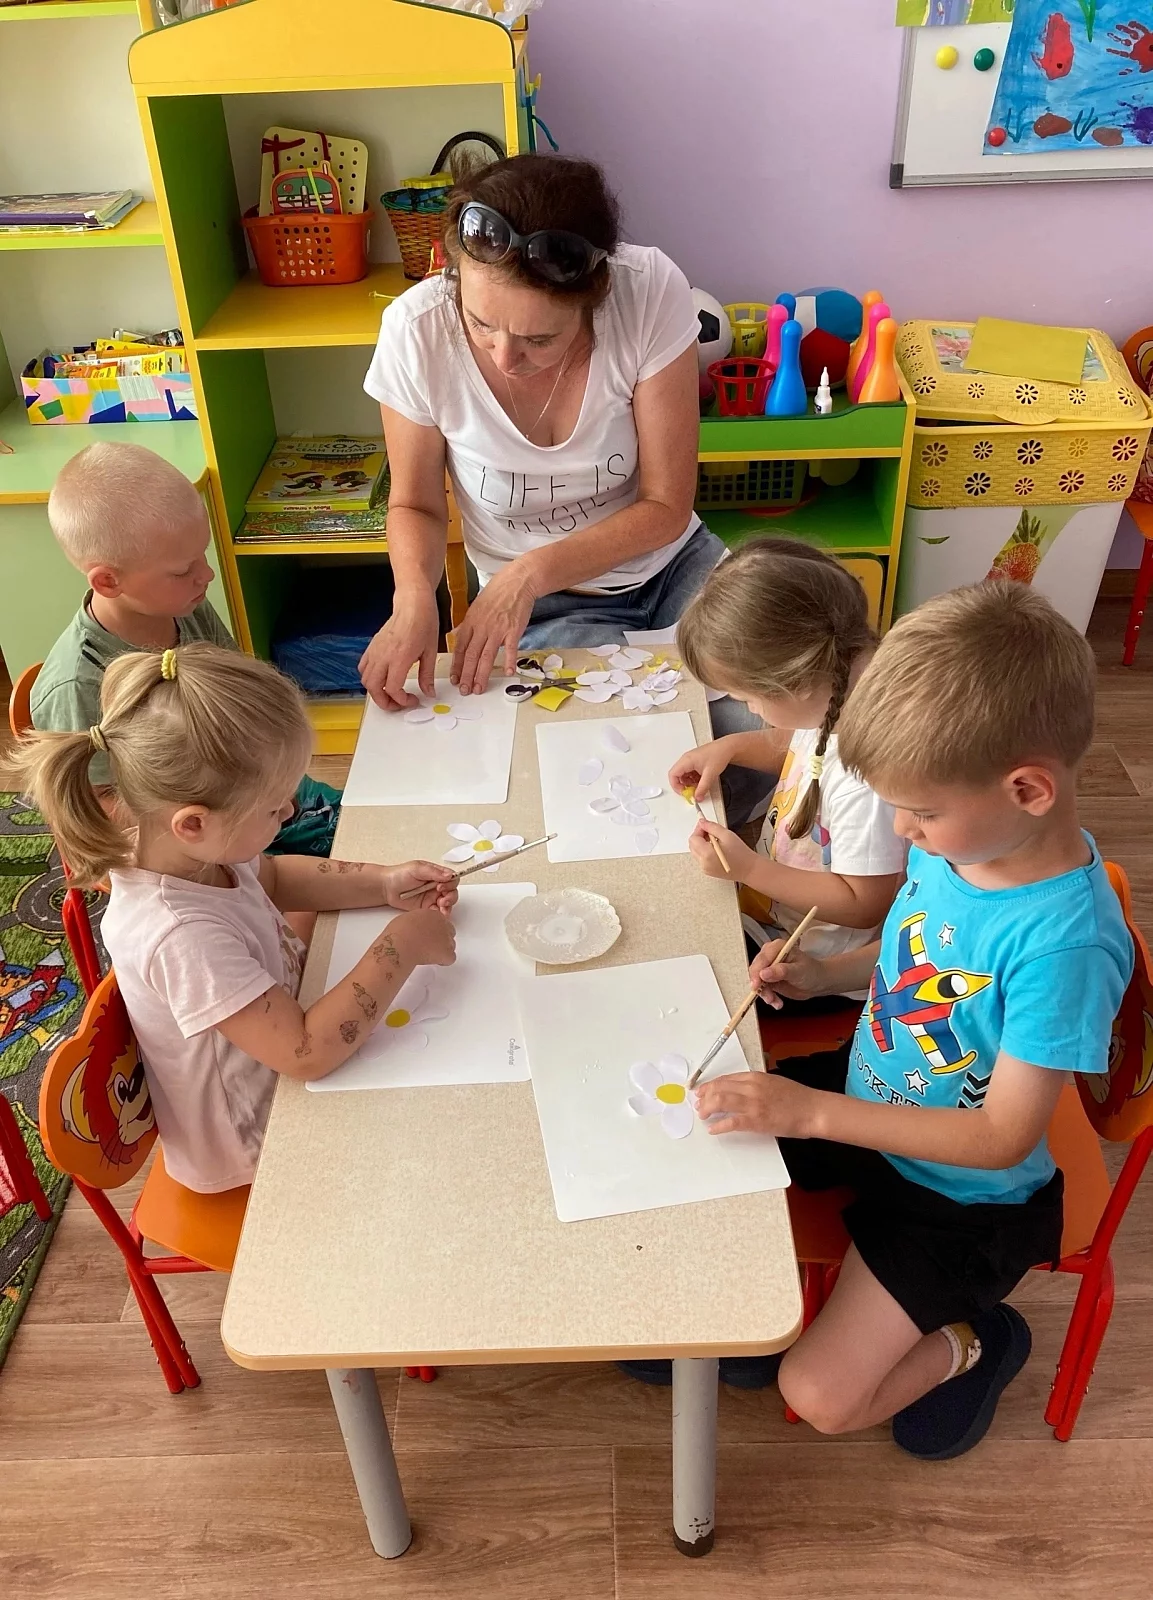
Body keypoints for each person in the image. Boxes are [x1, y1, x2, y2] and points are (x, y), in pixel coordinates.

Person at [694, 583, 1133, 1458]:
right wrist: (825, 973)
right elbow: (917, 964)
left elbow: (1002, 1138)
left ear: (1027, 789)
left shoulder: (1064, 947)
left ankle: (978, 1341)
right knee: (696, 1142)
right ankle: (738, 1323)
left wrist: (811, 1114)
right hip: (870, 1098)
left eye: (921, 812)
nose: (902, 830)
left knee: (816, 1395)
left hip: (959, 1198)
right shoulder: (964, 847)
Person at [13, 644, 458, 1194]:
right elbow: (305, 1053)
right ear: (193, 823)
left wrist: (383, 881)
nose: (290, 812)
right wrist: (402, 945)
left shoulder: (190, 850)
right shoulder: (180, 935)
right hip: (257, 1144)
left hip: (282, 1040)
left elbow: (274, 878)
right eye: (274, 807)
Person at [360, 152, 727, 704]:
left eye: (539, 340)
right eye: (480, 322)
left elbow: (666, 506)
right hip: (545, 610)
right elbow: (415, 505)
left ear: (593, 299)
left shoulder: (647, 290)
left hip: (674, 569)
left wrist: (526, 573)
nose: (504, 357)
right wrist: (413, 599)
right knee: (607, 731)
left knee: (772, 709)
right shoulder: (416, 331)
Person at [31, 441, 342, 856]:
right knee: (333, 877)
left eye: (202, 555)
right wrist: (237, 817)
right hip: (190, 838)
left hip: (249, 789)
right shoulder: (76, 684)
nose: (206, 574)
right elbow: (95, 813)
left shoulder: (182, 603)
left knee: (366, 824)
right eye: (182, 569)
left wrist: (271, 783)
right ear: (108, 581)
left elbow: (238, 699)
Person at [670, 539, 907, 1004]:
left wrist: (747, 868)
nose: (750, 711)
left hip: (814, 965)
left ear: (792, 682)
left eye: (747, 699)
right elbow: (800, 752)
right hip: (778, 915)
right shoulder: (835, 695)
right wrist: (731, 748)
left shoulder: (867, 781)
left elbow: (864, 904)